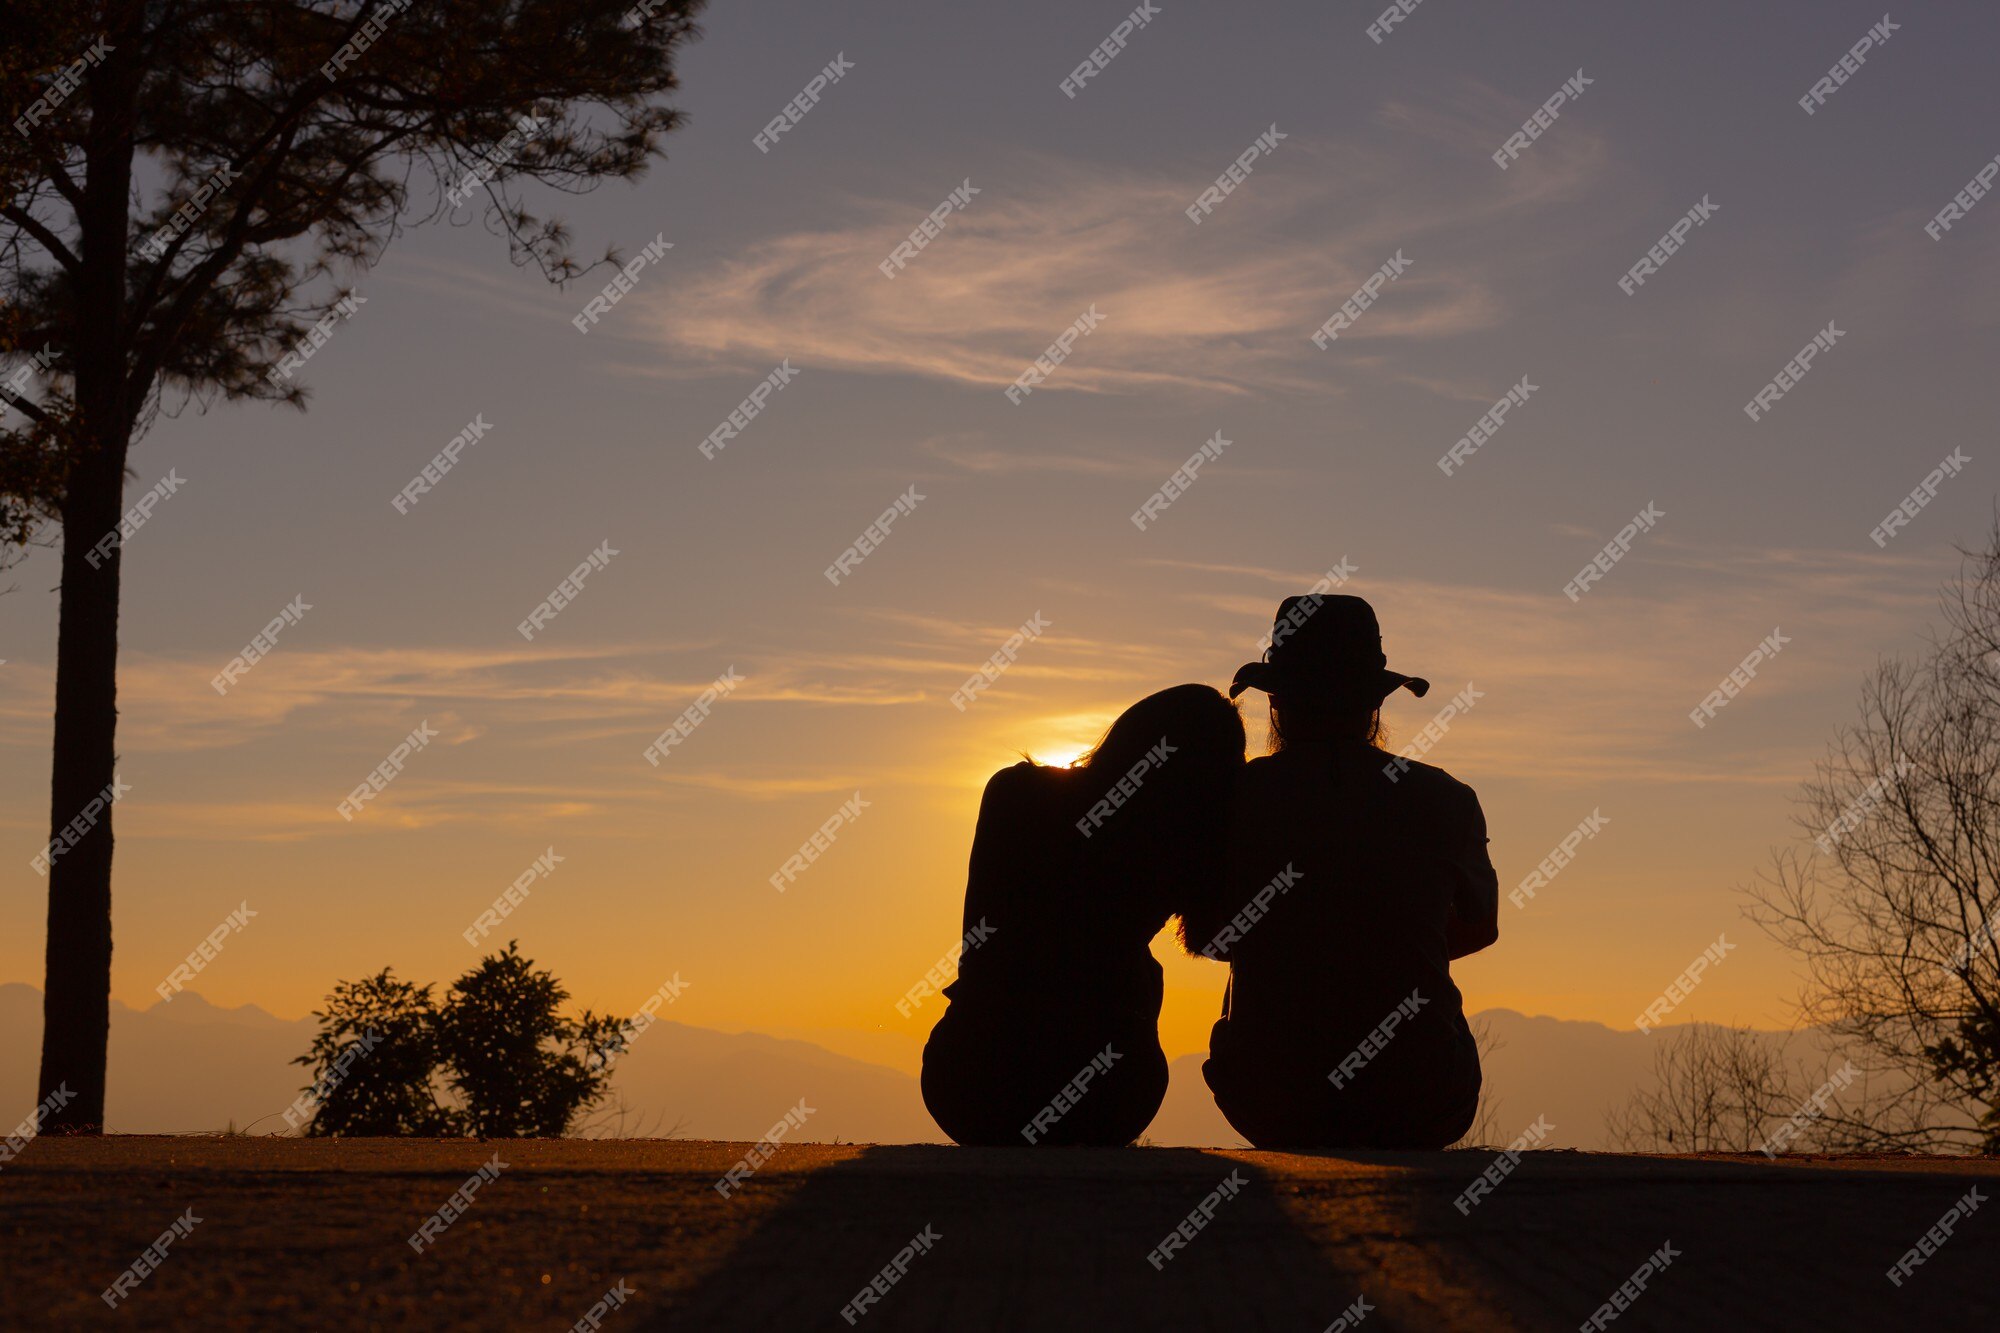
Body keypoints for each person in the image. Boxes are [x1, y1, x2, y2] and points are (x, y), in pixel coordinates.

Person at [1194, 595, 1498, 1150]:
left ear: (1276, 702)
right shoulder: (1447, 799)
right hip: (1424, 1104)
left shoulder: (1232, 798)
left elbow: (1213, 940)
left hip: (1274, 1106)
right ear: (1374, 706)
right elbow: (1480, 929)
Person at [921, 684, 1245, 1146]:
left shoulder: (1012, 791)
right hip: (1111, 1096)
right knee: (1144, 974)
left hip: (965, 1083)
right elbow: (1218, 942)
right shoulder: (1188, 837)